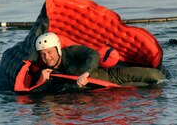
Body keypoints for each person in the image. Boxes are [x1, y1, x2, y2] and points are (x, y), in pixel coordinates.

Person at [30, 32, 166, 89]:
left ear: (58, 50)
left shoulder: (71, 52)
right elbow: (36, 95)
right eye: (42, 54)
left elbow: (93, 54)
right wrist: (41, 82)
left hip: (112, 74)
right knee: (146, 87)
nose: (47, 57)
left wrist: (86, 73)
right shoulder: (45, 72)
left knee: (156, 76)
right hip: (105, 89)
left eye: (49, 52)